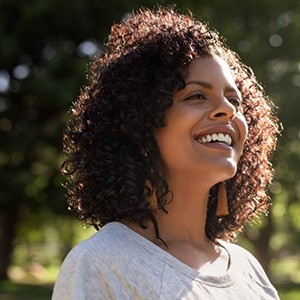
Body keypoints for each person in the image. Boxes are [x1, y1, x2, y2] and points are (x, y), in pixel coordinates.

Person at [53, 6, 280, 300]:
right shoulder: (101, 262)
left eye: (234, 99)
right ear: (141, 122)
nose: (228, 110)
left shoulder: (247, 269)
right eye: (196, 95)